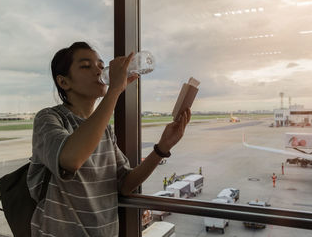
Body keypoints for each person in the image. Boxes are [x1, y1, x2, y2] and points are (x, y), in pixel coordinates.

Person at [26, 42, 191, 237]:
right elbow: (70, 159)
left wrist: (162, 148)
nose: (99, 71)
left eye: (100, 65)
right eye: (86, 66)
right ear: (64, 82)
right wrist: (114, 90)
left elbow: (125, 184)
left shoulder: (104, 129)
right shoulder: (49, 119)